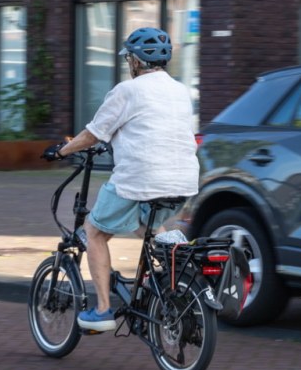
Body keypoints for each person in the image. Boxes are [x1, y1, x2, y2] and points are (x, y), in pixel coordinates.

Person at [42, 27, 200, 332]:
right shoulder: (180, 90)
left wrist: (61, 152)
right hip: (183, 181)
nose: (128, 62)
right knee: (148, 222)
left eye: (129, 57)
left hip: (140, 179)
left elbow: (92, 134)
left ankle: (102, 310)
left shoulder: (127, 90)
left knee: (95, 233)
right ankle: (172, 275)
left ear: (137, 61)